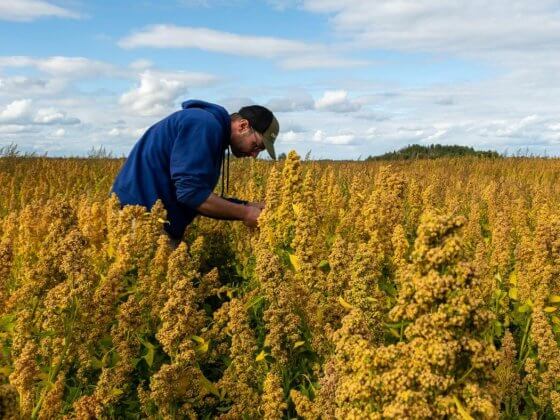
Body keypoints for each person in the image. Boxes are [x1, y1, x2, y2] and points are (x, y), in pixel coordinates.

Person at [111, 99, 279, 240]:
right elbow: (191, 194)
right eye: (256, 145)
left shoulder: (209, 127)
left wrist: (248, 205)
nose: (255, 154)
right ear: (243, 126)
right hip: (138, 218)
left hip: (149, 219)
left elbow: (196, 192)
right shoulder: (204, 125)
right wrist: (246, 213)